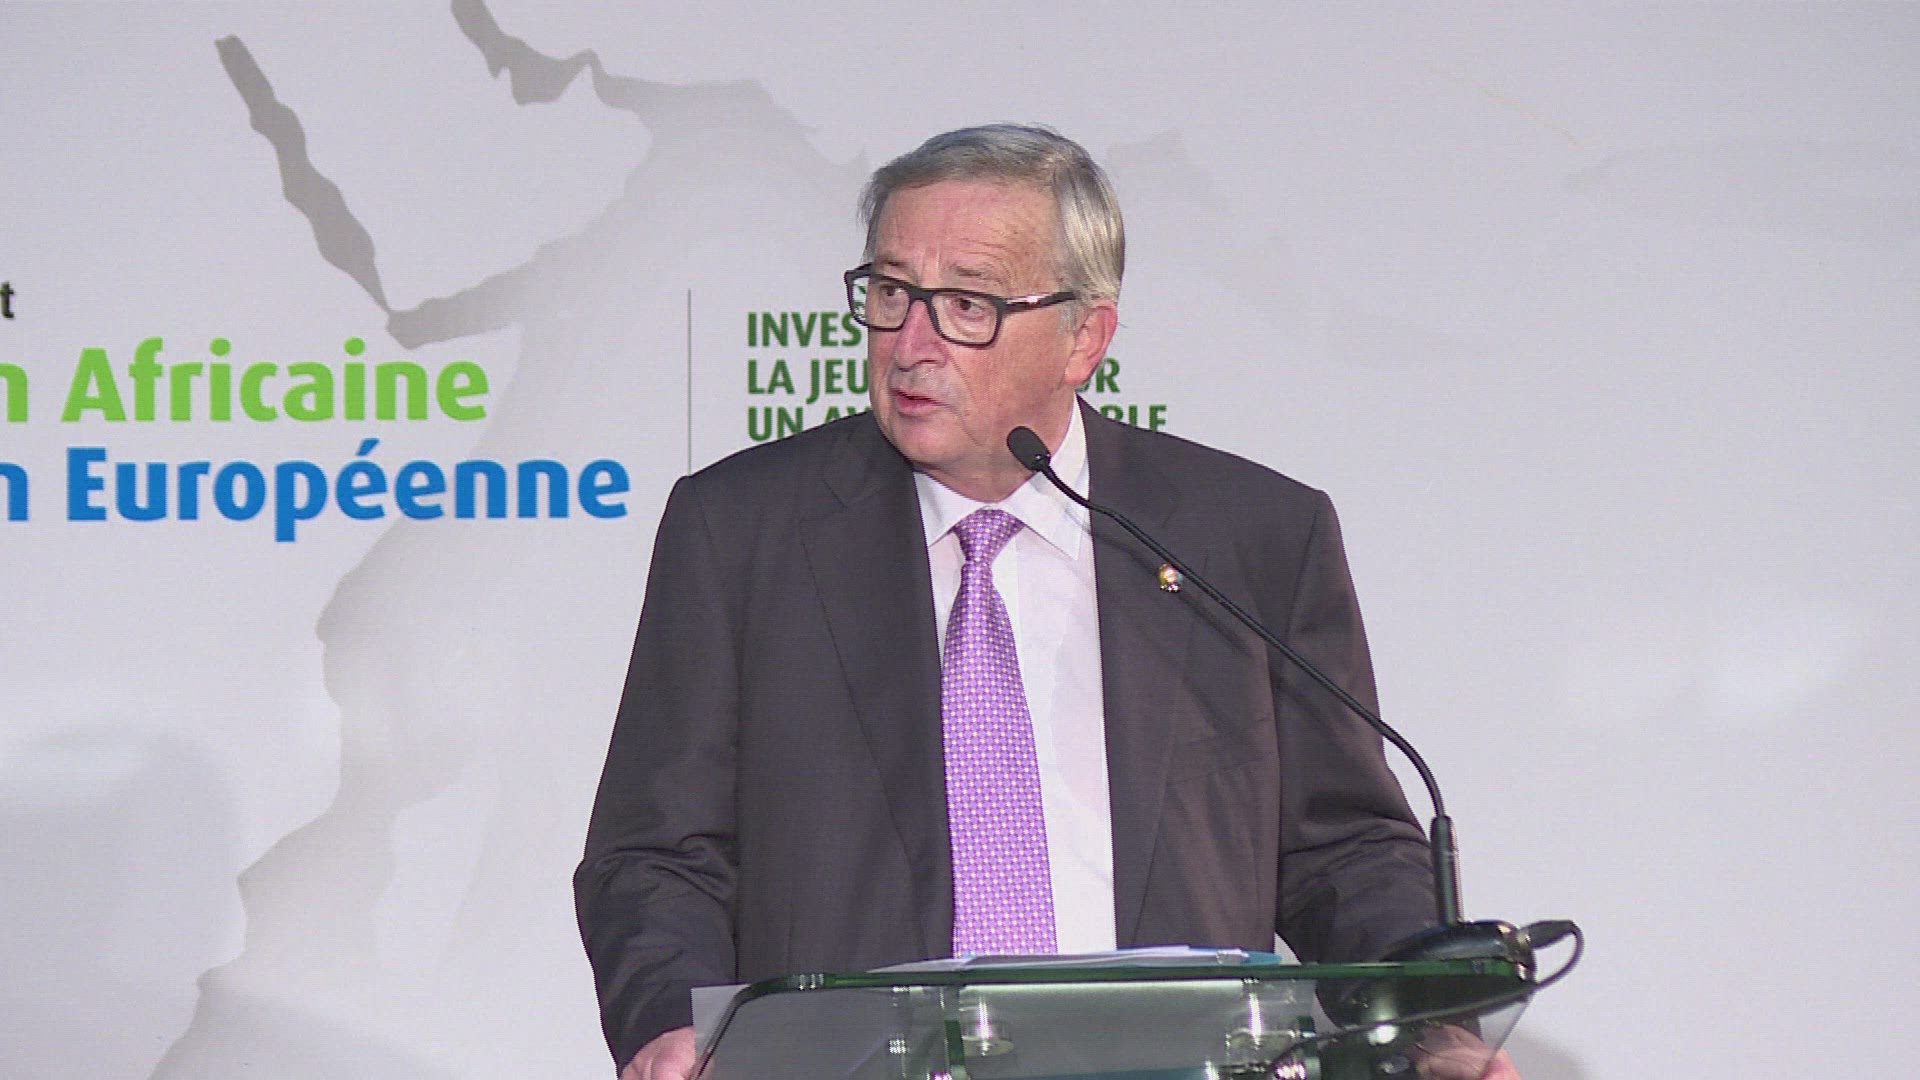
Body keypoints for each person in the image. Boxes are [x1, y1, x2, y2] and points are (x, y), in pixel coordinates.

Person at [576, 125, 1517, 1080]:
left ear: (1085, 339)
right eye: (891, 292)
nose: (911, 345)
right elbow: (656, 853)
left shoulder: (1247, 537)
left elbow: (1344, 852)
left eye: (968, 305)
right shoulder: (743, 530)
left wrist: (1434, 1030)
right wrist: (672, 1026)